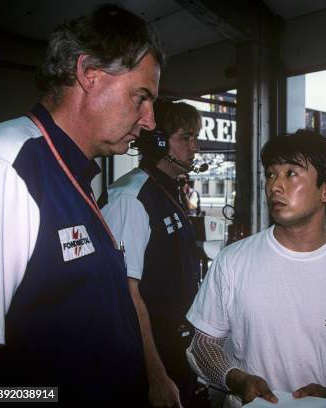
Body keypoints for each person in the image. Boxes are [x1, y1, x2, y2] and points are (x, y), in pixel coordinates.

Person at [0, 5, 163, 404]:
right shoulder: (8, 164)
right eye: (141, 97)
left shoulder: (71, 173)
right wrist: (51, 396)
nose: (150, 120)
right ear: (88, 74)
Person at [186, 130, 326, 407]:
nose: (275, 186)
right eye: (270, 174)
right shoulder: (232, 261)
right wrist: (236, 379)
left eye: (291, 174)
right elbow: (202, 346)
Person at [101, 100, 203, 407]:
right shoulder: (131, 198)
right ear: (159, 142)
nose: (194, 147)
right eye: (186, 137)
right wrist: (156, 375)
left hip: (174, 345)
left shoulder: (167, 190)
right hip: (148, 356)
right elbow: (125, 292)